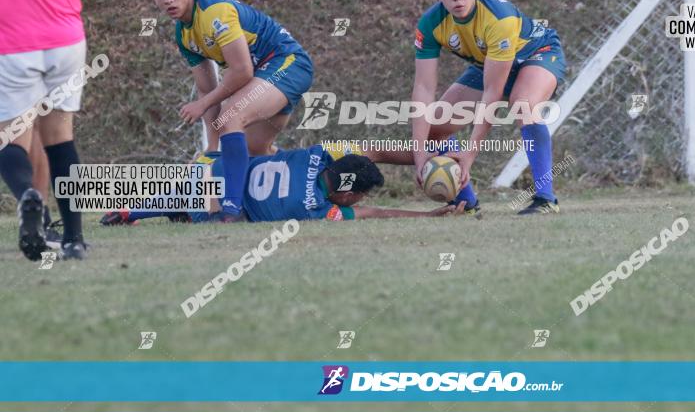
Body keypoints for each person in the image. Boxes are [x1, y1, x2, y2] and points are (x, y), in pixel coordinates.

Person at [0, 0, 112, 261]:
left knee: (10, 138)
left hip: (10, 42)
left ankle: (30, 195)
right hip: (65, 40)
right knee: (61, 141)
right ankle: (74, 239)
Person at [144, 0, 314, 223]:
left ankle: (232, 210)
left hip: (288, 64)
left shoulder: (214, 13)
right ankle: (306, 189)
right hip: (264, 76)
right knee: (253, 150)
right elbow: (206, 89)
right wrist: (212, 148)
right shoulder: (183, 34)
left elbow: (241, 71)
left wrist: (204, 106)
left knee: (231, 115)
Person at [411, 0, 567, 214]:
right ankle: (465, 202)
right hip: (489, 64)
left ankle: (545, 199)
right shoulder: (430, 24)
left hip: (537, 54)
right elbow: (423, 89)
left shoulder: (499, 18)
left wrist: (469, 155)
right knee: (435, 125)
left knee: (523, 104)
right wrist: (419, 157)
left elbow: (492, 92)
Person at [100, 145, 463, 225]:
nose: (359, 201)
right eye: (358, 196)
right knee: (227, 215)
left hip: (210, 162)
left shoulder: (319, 154)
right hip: (216, 206)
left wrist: (426, 154)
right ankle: (156, 211)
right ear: (349, 194)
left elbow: (374, 151)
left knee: (242, 159)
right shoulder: (316, 210)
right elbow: (375, 212)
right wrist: (425, 214)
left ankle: (132, 209)